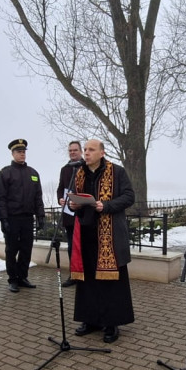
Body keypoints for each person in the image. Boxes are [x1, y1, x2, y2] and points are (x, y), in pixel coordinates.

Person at [69, 139, 135, 344]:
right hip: (86, 234)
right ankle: (90, 320)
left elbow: (129, 197)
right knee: (87, 280)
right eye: (85, 150)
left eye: (91, 150)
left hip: (109, 236)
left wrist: (105, 205)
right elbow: (73, 201)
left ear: (101, 153)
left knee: (109, 282)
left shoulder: (117, 171)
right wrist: (73, 205)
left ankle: (111, 323)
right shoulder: (79, 173)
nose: (86, 153)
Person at [0, 138, 45, 292]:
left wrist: (41, 216)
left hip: (27, 219)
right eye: (19, 152)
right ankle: (13, 279)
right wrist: (3, 219)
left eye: (24, 152)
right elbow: (0, 198)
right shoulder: (5, 173)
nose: (22, 154)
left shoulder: (33, 173)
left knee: (26, 249)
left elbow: (38, 197)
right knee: (11, 250)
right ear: (12, 153)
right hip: (12, 218)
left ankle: (22, 277)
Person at [55, 141, 84, 286]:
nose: (72, 152)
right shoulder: (65, 169)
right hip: (69, 215)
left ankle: (87, 275)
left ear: (81, 151)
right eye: (70, 150)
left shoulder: (86, 167)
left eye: (75, 150)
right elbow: (60, 188)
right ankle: (74, 275)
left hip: (84, 214)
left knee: (84, 246)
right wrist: (60, 198)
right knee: (72, 247)